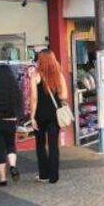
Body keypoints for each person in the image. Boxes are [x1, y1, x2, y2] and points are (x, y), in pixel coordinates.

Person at [30, 50, 68, 184]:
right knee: (53, 145)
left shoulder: (35, 76)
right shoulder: (59, 76)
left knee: (40, 145)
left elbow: (34, 98)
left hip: (40, 115)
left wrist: (32, 116)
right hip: (54, 115)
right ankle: (54, 176)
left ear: (40, 61)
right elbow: (64, 96)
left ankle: (44, 174)